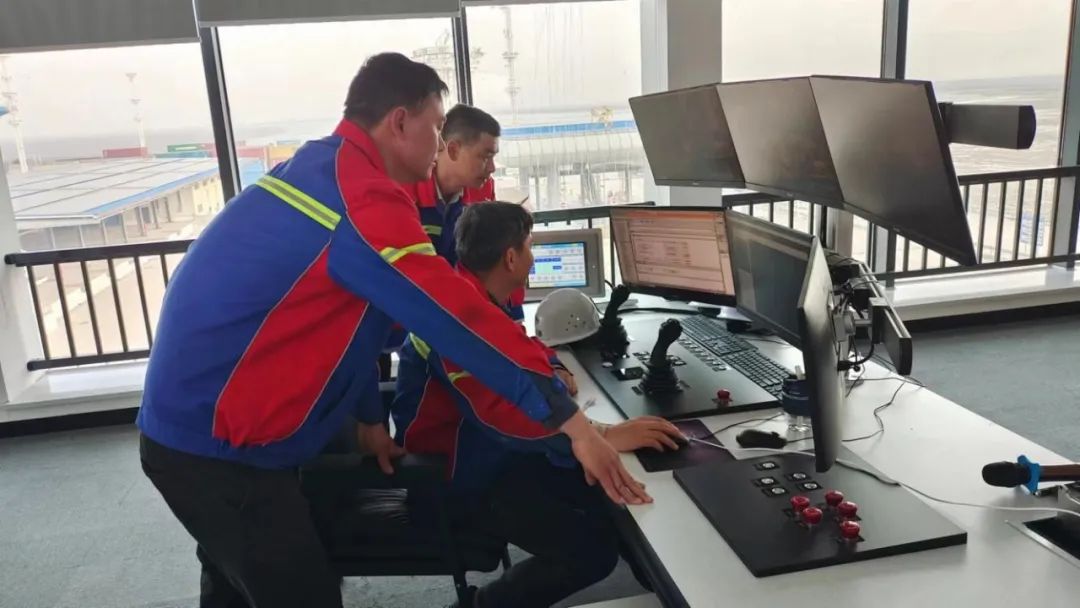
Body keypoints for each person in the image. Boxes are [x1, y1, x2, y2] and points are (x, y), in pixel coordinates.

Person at [136, 52, 648, 608]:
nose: (440, 143)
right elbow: (455, 316)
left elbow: (349, 329)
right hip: (219, 444)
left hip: (196, 420)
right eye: (436, 126)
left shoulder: (324, 169)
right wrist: (572, 424)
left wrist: (368, 419)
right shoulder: (362, 197)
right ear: (400, 122)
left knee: (234, 581)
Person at [393, 202, 684, 608]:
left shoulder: (470, 296)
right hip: (459, 475)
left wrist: (551, 364)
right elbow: (503, 419)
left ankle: (666, 586)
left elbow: (518, 344)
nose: (533, 258)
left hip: (489, 455)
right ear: (510, 258)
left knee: (607, 494)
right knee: (590, 551)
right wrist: (601, 435)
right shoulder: (458, 322)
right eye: (529, 247)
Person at [403, 103, 528, 321]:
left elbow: (496, 260)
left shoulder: (483, 191)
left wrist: (513, 321)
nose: (492, 168)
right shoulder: (404, 190)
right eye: (485, 156)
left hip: (459, 310)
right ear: (453, 150)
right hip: (408, 311)